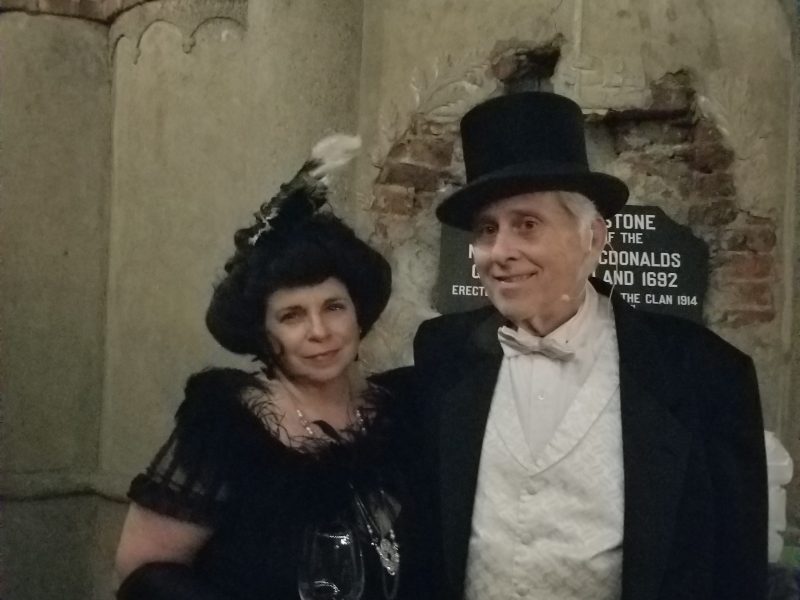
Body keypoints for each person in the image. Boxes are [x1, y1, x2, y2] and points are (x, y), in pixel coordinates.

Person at [411, 92, 767, 599]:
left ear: (593, 238)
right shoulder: (442, 353)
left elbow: (737, 573)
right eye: (487, 230)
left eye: (526, 225)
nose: (500, 252)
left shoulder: (705, 373)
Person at [114, 135, 420, 600]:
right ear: (263, 332)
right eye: (292, 315)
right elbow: (142, 570)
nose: (320, 331)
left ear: (359, 314)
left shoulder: (399, 413)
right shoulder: (225, 427)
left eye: (333, 307)